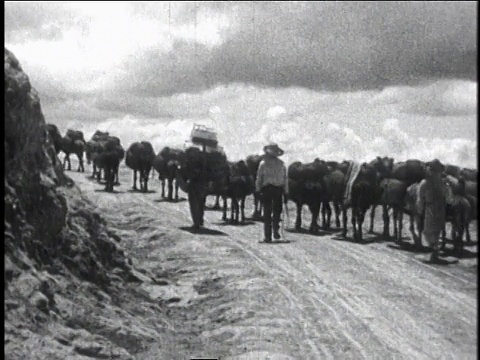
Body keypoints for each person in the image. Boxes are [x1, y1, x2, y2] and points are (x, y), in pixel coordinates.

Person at [416, 159, 454, 263]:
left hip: (430, 208)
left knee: (428, 230)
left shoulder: (425, 183)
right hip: (440, 209)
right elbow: (450, 199)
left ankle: (433, 253)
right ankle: (434, 252)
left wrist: (419, 208)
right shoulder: (443, 183)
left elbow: (419, 198)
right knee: (436, 231)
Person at [255, 143, 288, 242]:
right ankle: (275, 230)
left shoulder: (263, 163)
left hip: (267, 190)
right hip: (278, 190)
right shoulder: (281, 164)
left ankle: (268, 236)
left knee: (267, 213)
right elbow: (285, 179)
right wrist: (286, 191)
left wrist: (257, 190)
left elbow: (259, 178)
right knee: (277, 212)